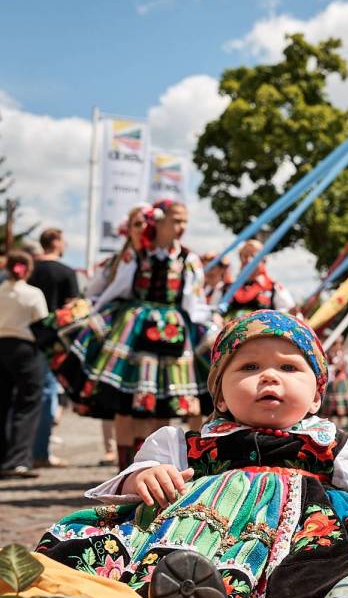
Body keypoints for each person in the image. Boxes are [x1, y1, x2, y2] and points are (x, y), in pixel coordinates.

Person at [37, 310, 348, 598]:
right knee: (140, 549)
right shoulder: (185, 443)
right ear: (220, 396)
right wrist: (143, 476)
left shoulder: (334, 445)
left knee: (330, 564)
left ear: (316, 396)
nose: (269, 377)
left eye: (288, 368)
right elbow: (137, 475)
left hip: (302, 539)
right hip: (200, 533)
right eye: (249, 368)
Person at [49, 200, 212, 465]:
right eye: (176, 220)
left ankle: (159, 465)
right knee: (124, 402)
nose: (182, 226)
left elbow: (194, 301)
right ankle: (126, 466)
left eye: (184, 221)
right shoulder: (135, 253)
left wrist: (208, 325)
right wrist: (93, 314)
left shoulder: (188, 258)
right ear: (158, 221)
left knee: (165, 400)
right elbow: (107, 287)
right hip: (133, 330)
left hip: (173, 332)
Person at [28, 228, 80, 469]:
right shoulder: (66, 271)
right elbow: (74, 309)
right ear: (56, 242)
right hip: (54, 342)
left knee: (23, 395)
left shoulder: (30, 268)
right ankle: (40, 453)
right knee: (48, 392)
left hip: (24, 336)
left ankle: (21, 451)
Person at [0, 251, 48, 478]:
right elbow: (42, 322)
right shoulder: (33, 293)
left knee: (2, 403)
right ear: (28, 270)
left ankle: (2, 457)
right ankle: (18, 460)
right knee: (28, 402)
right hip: (24, 349)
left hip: (1, 346)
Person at [224, 240, 295, 318]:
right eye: (244, 256)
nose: (248, 260)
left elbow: (289, 316)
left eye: (253, 256)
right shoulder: (229, 288)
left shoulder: (274, 288)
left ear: (263, 260)